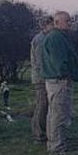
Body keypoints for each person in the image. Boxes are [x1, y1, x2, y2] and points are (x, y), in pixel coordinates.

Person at [39, 10, 78, 153]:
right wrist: (69, 74)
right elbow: (60, 62)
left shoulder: (59, 37)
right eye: (67, 21)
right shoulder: (56, 38)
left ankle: (56, 142)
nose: (70, 23)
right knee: (59, 113)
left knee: (55, 113)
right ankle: (57, 146)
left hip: (57, 80)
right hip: (59, 81)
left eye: (70, 20)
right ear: (57, 22)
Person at [29, 14, 54, 144]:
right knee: (42, 105)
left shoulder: (46, 38)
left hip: (45, 76)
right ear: (45, 25)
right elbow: (40, 61)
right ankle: (38, 134)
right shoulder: (40, 40)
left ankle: (45, 132)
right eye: (52, 24)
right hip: (41, 78)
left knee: (47, 105)